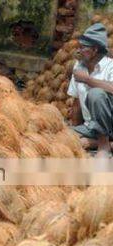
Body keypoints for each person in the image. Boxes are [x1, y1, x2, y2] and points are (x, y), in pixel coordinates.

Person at [68, 23, 113, 157]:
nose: (79, 51)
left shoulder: (110, 66)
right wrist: (74, 128)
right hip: (90, 127)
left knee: (96, 93)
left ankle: (104, 145)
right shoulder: (79, 67)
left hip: (110, 126)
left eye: (83, 47)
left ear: (95, 49)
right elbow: (76, 102)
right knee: (63, 138)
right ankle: (96, 141)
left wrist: (88, 80)